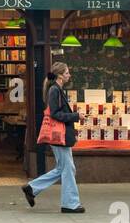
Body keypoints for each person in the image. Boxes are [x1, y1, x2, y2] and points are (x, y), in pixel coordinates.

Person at [21, 62, 84, 214]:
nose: (69, 75)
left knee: (63, 168)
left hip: (59, 135)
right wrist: (76, 116)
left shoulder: (56, 89)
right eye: (67, 73)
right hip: (59, 135)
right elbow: (55, 114)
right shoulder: (55, 90)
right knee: (68, 169)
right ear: (60, 75)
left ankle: (32, 188)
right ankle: (70, 204)